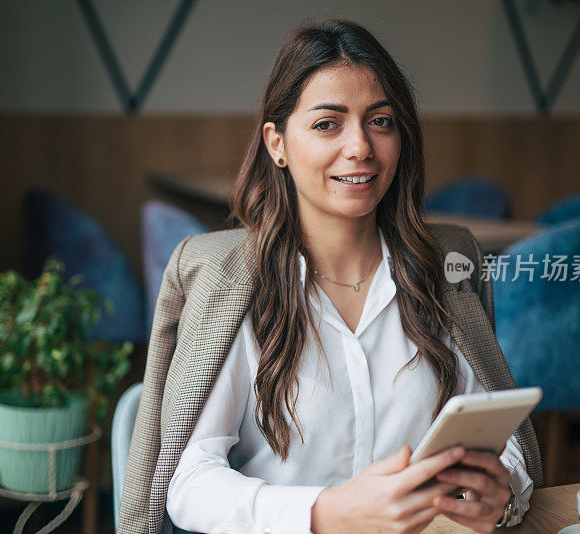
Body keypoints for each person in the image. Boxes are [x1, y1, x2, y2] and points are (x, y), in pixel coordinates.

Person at [117, 19, 542, 534]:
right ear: (277, 143)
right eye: (327, 124)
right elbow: (188, 485)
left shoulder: (443, 274)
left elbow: (503, 441)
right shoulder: (233, 288)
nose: (360, 146)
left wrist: (500, 492)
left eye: (380, 121)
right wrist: (325, 513)